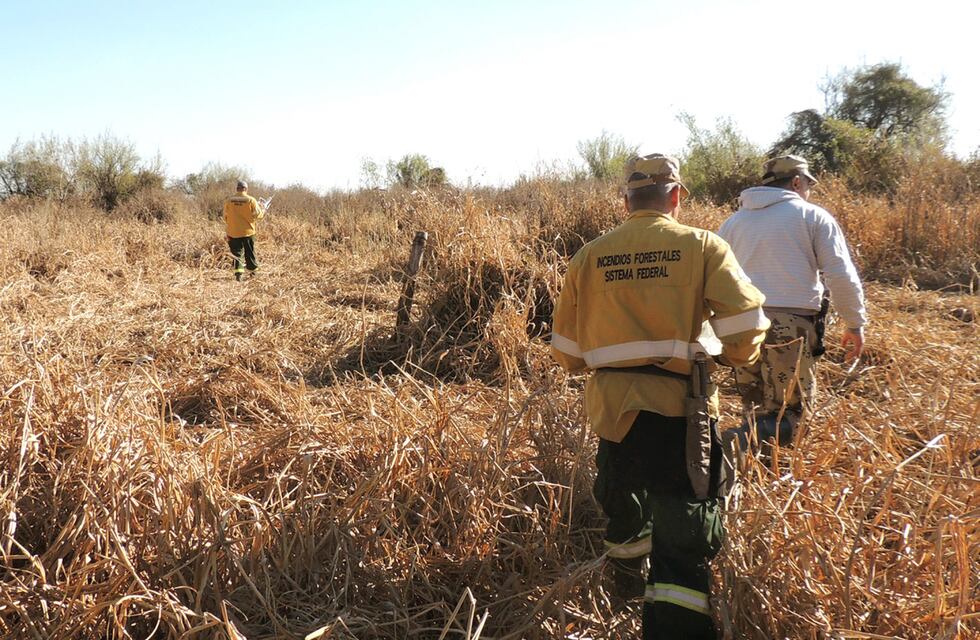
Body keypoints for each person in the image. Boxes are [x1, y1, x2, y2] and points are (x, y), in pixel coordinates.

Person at [551, 154, 770, 639]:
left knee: (623, 505)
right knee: (685, 531)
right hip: (682, 414)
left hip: (612, 412)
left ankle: (624, 588)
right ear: (676, 197)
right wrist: (735, 355)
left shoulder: (589, 256)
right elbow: (746, 325)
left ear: (625, 200)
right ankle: (674, 626)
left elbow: (567, 351)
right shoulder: (702, 247)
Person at [718, 155, 867, 444]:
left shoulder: (732, 223)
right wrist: (855, 323)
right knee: (791, 414)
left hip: (742, 324)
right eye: (808, 185)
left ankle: (744, 468)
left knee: (754, 408)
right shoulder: (812, 216)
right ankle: (732, 446)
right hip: (791, 327)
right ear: (797, 182)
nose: (808, 191)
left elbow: (718, 278)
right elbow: (839, 274)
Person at [223, 180, 265, 281]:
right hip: (248, 232)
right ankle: (253, 273)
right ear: (245, 189)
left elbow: (225, 216)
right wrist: (263, 210)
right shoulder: (251, 200)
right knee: (249, 252)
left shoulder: (229, 200)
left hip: (233, 232)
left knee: (237, 254)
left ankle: (238, 274)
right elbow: (258, 215)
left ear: (237, 188)